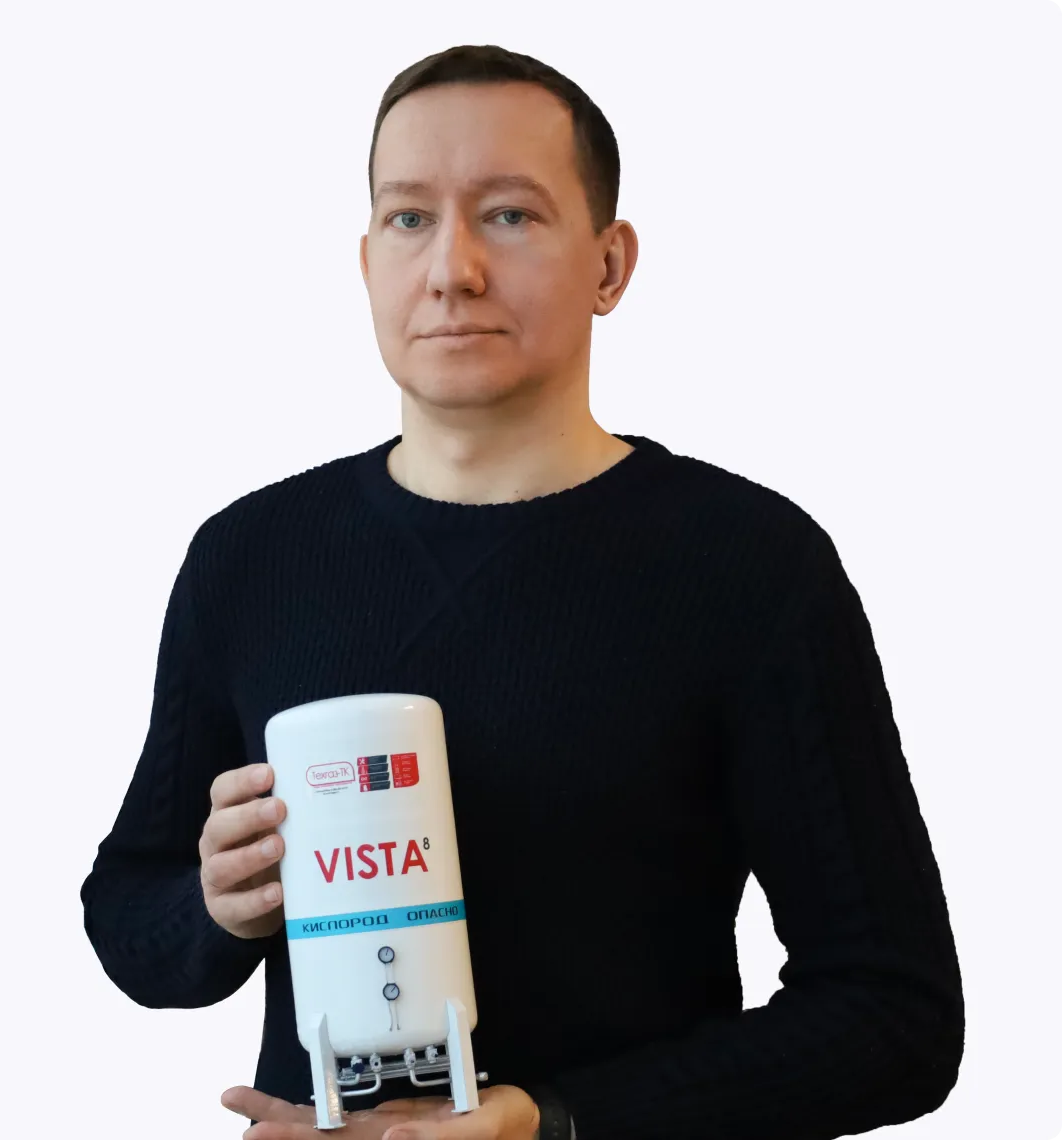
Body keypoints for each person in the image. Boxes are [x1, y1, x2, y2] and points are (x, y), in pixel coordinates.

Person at [80, 43, 965, 1140]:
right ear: (366, 261)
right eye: (410, 218)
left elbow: (895, 1018)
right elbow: (131, 923)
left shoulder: (749, 564)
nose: (452, 269)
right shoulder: (250, 557)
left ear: (610, 264)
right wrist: (219, 910)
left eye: (508, 215)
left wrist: (554, 1121)